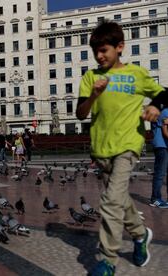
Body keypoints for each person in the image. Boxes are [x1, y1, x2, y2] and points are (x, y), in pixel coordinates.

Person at [76, 20, 165, 275]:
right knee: (120, 200)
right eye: (95, 51)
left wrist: (155, 106)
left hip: (128, 147)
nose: (99, 55)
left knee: (110, 202)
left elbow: (163, 93)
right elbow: (81, 114)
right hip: (101, 149)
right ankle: (139, 235)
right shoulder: (90, 77)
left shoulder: (136, 74)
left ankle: (107, 261)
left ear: (120, 47)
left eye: (104, 50)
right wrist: (93, 95)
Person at [150, 104, 168, 208]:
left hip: (162, 145)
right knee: (160, 173)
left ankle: (156, 198)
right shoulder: (165, 111)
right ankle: (155, 199)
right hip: (162, 146)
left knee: (161, 173)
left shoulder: (159, 111)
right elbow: (165, 131)